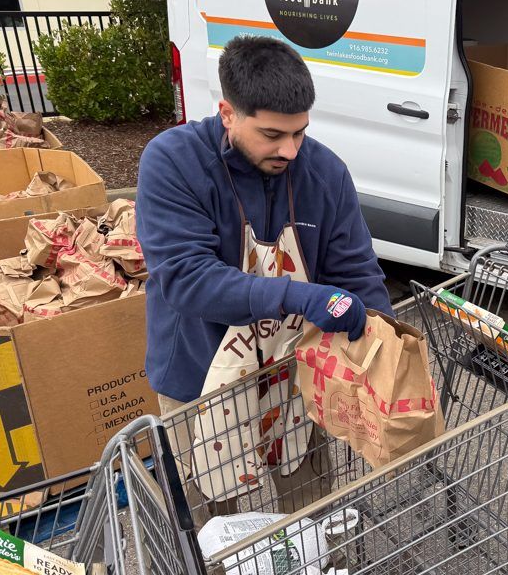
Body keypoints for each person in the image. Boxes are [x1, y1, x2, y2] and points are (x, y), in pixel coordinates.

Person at [137, 35, 394, 520]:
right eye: (272, 134)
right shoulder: (173, 162)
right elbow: (187, 278)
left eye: (300, 133)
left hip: (296, 373)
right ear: (227, 113)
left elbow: (357, 270)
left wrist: (382, 343)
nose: (290, 150)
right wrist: (299, 296)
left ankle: (317, 555)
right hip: (199, 372)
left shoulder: (325, 173)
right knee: (208, 522)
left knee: (313, 506)